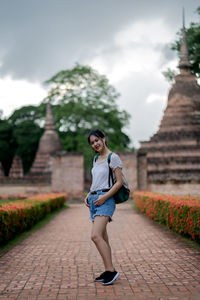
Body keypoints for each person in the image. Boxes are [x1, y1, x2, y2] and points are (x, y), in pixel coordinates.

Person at [84, 129, 123, 285]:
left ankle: (112, 271)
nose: (95, 144)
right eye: (92, 143)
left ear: (104, 139)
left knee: (95, 236)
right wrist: (89, 194)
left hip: (106, 200)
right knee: (103, 238)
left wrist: (104, 197)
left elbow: (119, 182)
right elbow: (97, 181)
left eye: (97, 140)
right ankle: (108, 270)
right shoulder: (95, 159)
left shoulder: (113, 158)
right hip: (94, 199)